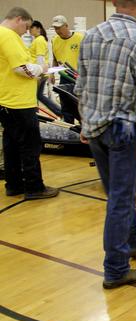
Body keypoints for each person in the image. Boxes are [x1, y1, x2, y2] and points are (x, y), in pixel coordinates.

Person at [75, 0, 136, 289]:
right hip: (124, 130)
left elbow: (81, 88)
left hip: (95, 127)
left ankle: (135, 238)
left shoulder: (91, 35)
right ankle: (115, 269)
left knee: (116, 193)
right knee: (120, 198)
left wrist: (85, 122)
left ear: (114, 2)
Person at [0, 7, 59, 200]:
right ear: (18, 19)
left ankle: (14, 185)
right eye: (26, 26)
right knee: (30, 146)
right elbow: (21, 68)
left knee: (11, 145)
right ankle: (34, 187)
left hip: (7, 100)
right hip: (18, 102)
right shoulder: (8, 36)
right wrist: (42, 68)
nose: (26, 31)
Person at [51, 15, 84, 124]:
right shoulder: (55, 40)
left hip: (78, 78)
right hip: (64, 78)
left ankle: (83, 130)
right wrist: (52, 73)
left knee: (79, 107)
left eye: (59, 27)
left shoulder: (79, 38)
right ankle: (70, 130)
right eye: (55, 28)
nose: (57, 30)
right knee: (66, 108)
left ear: (66, 26)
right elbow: (55, 59)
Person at [29, 20, 62, 117]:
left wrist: (39, 73)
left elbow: (40, 57)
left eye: (32, 28)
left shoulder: (39, 40)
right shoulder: (39, 39)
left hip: (39, 73)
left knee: (33, 96)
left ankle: (35, 116)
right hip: (41, 72)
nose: (30, 30)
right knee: (39, 96)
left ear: (38, 28)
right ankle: (59, 112)